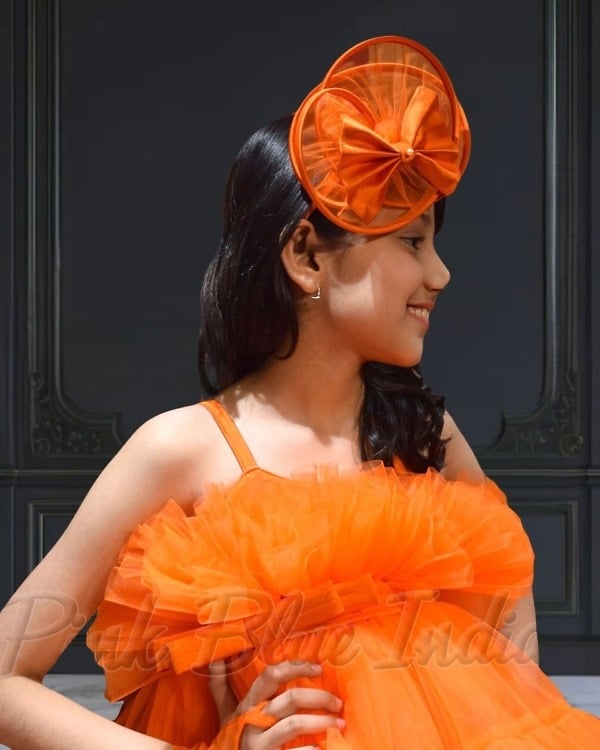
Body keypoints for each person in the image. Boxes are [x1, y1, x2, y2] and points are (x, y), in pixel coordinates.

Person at [1, 34, 599, 750]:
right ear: (306, 255)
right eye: (412, 241)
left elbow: (508, 608)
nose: (440, 275)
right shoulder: (179, 449)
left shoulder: (422, 435)